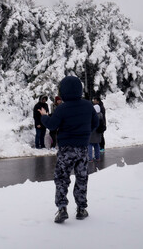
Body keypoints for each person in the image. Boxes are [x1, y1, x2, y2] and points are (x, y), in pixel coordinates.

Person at [39, 76, 99, 223]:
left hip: (66, 150)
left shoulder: (62, 109)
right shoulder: (87, 106)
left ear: (63, 91)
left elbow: (52, 125)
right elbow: (95, 123)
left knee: (61, 178)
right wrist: (84, 134)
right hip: (82, 149)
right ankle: (81, 209)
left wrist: (44, 117)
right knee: (82, 178)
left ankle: (62, 209)